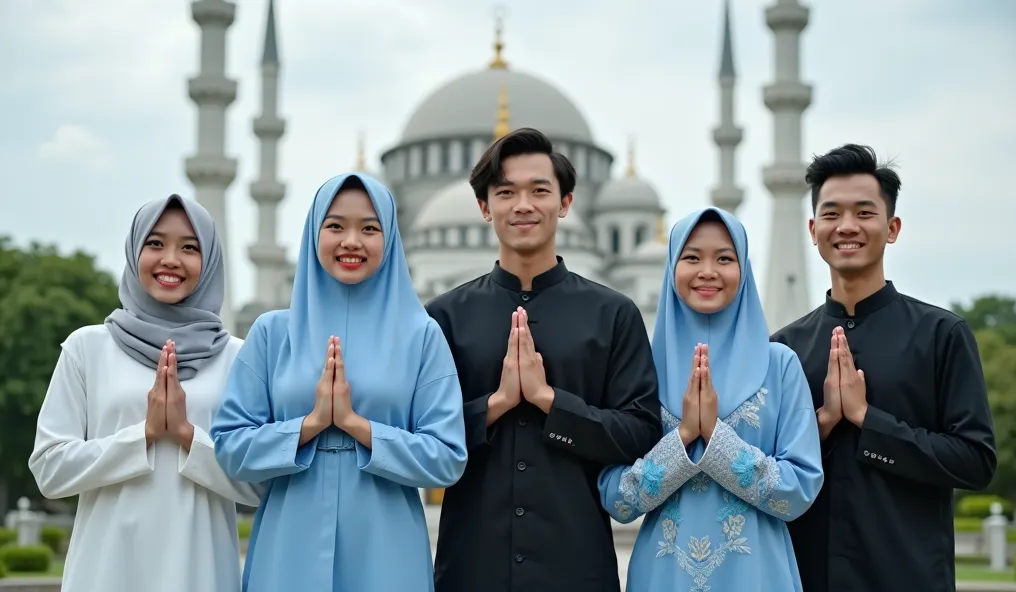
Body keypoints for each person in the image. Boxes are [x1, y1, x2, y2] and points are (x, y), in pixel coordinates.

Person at [426, 127, 663, 592]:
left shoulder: (612, 314)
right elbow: (423, 435)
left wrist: (549, 402)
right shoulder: (444, 316)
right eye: (506, 192)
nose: (523, 205)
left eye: (539, 191)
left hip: (576, 567)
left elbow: (641, 432)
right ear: (483, 207)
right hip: (472, 566)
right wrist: (494, 405)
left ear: (566, 203)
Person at [210, 172, 468, 592]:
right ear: (314, 234)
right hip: (289, 543)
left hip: (386, 548)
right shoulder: (273, 334)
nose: (352, 240)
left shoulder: (420, 335)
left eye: (369, 228)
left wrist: (356, 425)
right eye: (335, 226)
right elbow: (230, 448)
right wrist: (310, 424)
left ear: (390, 239)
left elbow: (447, 457)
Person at [772, 143, 997, 592]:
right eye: (832, 214)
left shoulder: (940, 335)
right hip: (804, 578)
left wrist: (867, 421)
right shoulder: (783, 349)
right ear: (813, 229)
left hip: (907, 578)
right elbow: (764, 470)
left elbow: (976, 461)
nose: (847, 226)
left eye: (864, 212)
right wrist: (822, 424)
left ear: (892, 228)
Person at [28, 195, 260, 592]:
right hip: (105, 571)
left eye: (189, 247)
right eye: (155, 243)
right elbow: (50, 469)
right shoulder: (88, 348)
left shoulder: (238, 357)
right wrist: (144, 435)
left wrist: (188, 435)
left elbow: (260, 487)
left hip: (200, 571)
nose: (171, 258)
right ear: (134, 250)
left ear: (210, 261)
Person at [598, 207, 824, 592]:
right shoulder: (641, 367)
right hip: (664, 576)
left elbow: (799, 489)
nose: (707, 271)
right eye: (691, 257)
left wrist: (716, 440)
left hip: (757, 577)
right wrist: (684, 436)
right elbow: (617, 499)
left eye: (724, 258)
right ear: (671, 267)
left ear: (744, 269)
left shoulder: (780, 365)